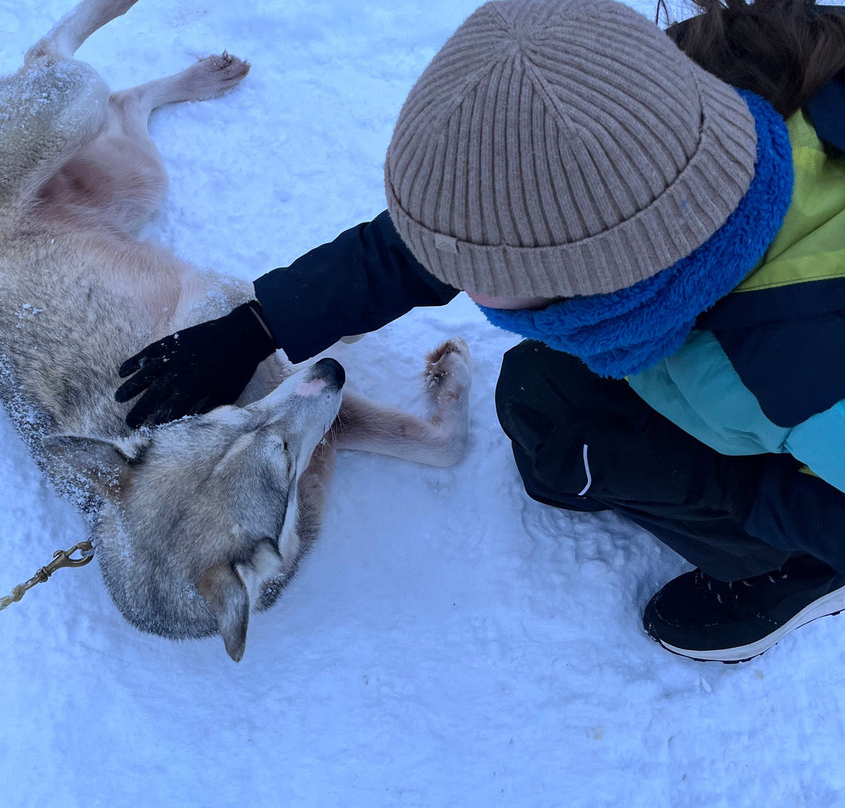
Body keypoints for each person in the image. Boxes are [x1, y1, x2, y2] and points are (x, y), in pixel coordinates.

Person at [115, 0, 845, 663]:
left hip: (811, 459)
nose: (452, 275)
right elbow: (463, 227)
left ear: (599, 263)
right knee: (540, 399)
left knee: (565, 444)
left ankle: (796, 573)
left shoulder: (797, 377)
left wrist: (736, 492)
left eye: (478, 265)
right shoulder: (676, 100)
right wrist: (261, 322)